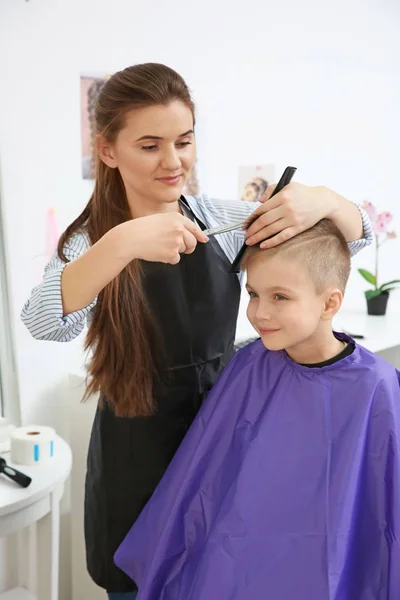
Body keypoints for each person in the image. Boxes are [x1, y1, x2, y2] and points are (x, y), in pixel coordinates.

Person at [21, 62, 373, 599]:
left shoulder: (219, 220)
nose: (173, 161)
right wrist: (122, 243)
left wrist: (328, 200)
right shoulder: (89, 242)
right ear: (108, 151)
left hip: (223, 442)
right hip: (136, 465)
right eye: (150, 145)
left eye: (184, 141)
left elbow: (350, 241)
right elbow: (43, 322)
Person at [114, 219, 400, 600]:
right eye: (253, 294)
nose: (259, 312)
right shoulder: (249, 365)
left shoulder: (376, 386)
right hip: (235, 562)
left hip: (324, 569)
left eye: (280, 297)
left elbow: (381, 510)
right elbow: (202, 477)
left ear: (330, 302)